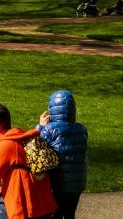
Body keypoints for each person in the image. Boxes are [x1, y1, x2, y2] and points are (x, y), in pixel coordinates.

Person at [38, 90, 88, 219]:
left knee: (56, 214)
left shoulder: (49, 129)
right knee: (70, 214)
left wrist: (40, 126)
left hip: (57, 183)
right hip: (77, 182)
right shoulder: (81, 129)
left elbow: (35, 145)